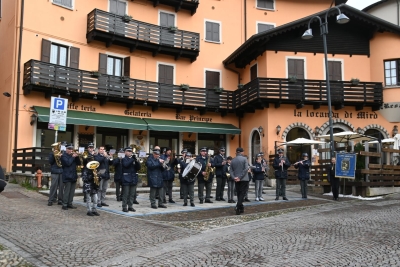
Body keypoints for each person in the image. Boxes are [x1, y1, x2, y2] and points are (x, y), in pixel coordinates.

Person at [121, 147, 142, 212]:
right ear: (125, 152)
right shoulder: (124, 159)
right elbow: (126, 165)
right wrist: (132, 159)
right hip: (126, 178)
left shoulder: (133, 159)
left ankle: (130, 206)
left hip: (133, 178)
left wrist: (137, 161)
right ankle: (124, 207)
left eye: (131, 151)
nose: (130, 152)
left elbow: (138, 168)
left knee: (132, 194)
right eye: (128, 151)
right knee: (126, 194)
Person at [229, 147, 249, 215]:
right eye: (243, 151)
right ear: (241, 152)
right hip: (243, 179)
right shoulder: (244, 159)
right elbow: (246, 169)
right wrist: (240, 177)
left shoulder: (233, 160)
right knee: (242, 193)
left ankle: (241, 207)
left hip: (236, 179)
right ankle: (238, 206)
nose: (244, 153)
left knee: (238, 193)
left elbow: (230, 170)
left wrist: (234, 177)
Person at [61, 143, 81, 210]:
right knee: (67, 191)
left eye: (71, 149)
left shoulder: (73, 156)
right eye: (69, 149)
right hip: (67, 175)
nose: (70, 150)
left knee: (72, 191)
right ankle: (64, 204)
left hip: (73, 175)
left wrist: (77, 156)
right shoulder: (63, 156)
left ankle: (70, 203)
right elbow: (68, 163)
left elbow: (79, 163)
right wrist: (73, 157)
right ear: (66, 149)